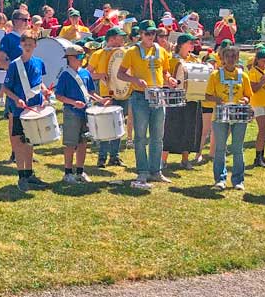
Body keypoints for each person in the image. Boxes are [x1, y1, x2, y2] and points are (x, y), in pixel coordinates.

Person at [117, 21, 177, 189]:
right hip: (140, 97)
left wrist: (169, 79)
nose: (151, 36)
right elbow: (120, 74)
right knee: (141, 137)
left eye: (153, 33)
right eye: (147, 33)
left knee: (158, 136)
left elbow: (165, 71)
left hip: (159, 95)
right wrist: (134, 80)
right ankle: (142, 171)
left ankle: (156, 171)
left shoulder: (162, 51)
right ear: (141, 34)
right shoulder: (132, 52)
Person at [2, 33, 52, 191]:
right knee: (18, 143)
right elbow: (5, 88)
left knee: (30, 141)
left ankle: (29, 173)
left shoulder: (39, 62)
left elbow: (40, 82)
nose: (28, 46)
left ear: (35, 45)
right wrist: (17, 99)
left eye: (31, 43)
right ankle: (21, 176)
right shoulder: (14, 65)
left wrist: (45, 92)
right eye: (26, 43)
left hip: (35, 108)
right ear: (21, 45)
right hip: (19, 110)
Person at [54, 43, 107, 184]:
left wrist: (101, 100)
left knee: (83, 142)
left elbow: (90, 92)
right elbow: (58, 95)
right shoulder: (65, 75)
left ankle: (80, 171)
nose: (82, 59)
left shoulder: (85, 73)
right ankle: (67, 172)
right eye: (79, 56)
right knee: (70, 144)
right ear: (70, 58)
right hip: (72, 112)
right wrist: (73, 102)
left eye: (83, 56)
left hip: (86, 112)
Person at [205, 43, 253, 191]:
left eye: (234, 56)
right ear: (223, 58)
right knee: (220, 147)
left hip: (238, 115)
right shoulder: (215, 75)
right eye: (228, 56)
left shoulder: (243, 76)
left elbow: (248, 96)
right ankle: (220, 179)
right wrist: (217, 100)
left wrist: (245, 100)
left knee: (238, 148)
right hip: (220, 115)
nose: (231, 59)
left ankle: (238, 180)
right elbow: (207, 95)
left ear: (238, 58)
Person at [161, 33, 203, 169]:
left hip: (191, 97)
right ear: (181, 44)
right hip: (174, 97)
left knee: (189, 128)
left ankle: (185, 159)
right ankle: (163, 159)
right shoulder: (171, 60)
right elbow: (165, 77)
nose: (192, 45)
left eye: (193, 43)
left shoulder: (195, 60)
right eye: (189, 43)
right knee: (170, 128)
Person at [90, 27, 128, 169]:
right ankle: (102, 157)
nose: (123, 40)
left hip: (122, 92)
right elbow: (88, 74)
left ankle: (115, 156)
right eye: (120, 37)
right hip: (105, 94)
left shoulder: (124, 53)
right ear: (111, 39)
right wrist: (100, 76)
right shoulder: (98, 54)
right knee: (105, 125)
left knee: (118, 124)